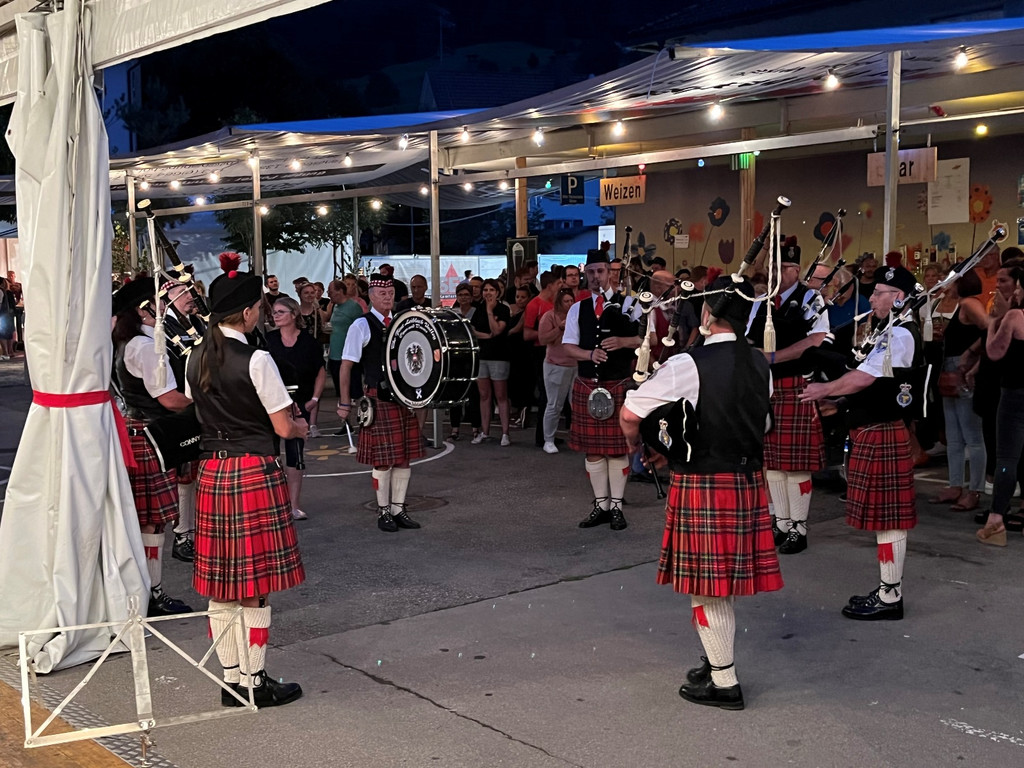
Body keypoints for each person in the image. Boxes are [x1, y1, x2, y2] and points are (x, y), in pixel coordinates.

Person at [620, 275, 781, 711]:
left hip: (704, 483)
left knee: (708, 588)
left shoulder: (687, 364)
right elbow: (763, 423)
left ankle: (724, 682)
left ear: (708, 314)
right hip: (746, 479)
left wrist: (642, 444)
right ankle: (714, 661)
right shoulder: (759, 363)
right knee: (717, 585)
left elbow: (631, 413)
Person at [185, 255, 306, 707]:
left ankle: (232, 680)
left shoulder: (195, 356)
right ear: (249, 311)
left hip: (213, 472)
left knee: (223, 586)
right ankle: (255, 683)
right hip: (252, 470)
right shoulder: (257, 358)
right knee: (254, 587)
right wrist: (300, 427)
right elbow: (282, 426)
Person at [800, 266, 923, 620]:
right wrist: (840, 401)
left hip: (883, 431)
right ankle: (888, 591)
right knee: (886, 519)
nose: (872, 298)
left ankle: (890, 596)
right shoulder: (890, 330)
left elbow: (864, 378)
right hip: (874, 430)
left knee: (889, 519)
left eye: (879, 292)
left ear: (899, 297)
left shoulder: (901, 334)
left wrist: (826, 388)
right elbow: (876, 381)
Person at [111, 279, 193, 616]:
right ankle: (152, 593)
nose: (162, 308)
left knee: (146, 520)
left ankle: (147, 591)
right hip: (150, 435)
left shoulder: (126, 342)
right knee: (152, 522)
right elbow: (169, 399)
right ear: (142, 310)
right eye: (157, 303)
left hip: (134, 431)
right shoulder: (146, 347)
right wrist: (207, 406)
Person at [746, 237, 828, 555]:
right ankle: (781, 523)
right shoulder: (760, 301)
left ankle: (799, 527)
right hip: (765, 387)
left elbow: (817, 339)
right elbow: (748, 338)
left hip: (796, 384)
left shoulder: (811, 299)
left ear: (795, 270)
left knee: (796, 465)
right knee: (773, 463)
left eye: (780, 268)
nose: (773, 274)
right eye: (770, 268)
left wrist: (775, 357)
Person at [337, 274, 424, 532]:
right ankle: (383, 510)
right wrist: (344, 402)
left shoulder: (401, 322)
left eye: (391, 294)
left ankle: (398, 509)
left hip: (403, 398)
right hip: (378, 397)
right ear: (371, 296)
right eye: (382, 294)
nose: (388, 298)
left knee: (404, 458)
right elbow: (346, 366)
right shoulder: (361, 325)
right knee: (383, 460)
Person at [562, 249, 641, 530]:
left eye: (601, 271)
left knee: (617, 450)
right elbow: (568, 345)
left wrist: (623, 341)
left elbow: (648, 339)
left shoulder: (630, 304)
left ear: (610, 273)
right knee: (593, 451)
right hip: (587, 384)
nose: (596, 277)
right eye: (591, 272)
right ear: (586, 274)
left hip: (617, 383)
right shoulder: (577, 308)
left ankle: (617, 506)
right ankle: (601, 505)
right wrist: (588, 354)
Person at [930, 271, 988, 511]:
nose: (947, 285)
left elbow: (988, 330)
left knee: (972, 436)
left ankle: (975, 489)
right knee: (954, 435)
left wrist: (972, 355)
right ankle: (955, 485)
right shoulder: (961, 305)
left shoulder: (969, 304)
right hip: (950, 369)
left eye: (951, 280)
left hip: (961, 369)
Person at [976, 266, 1024, 545]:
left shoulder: (1016, 316)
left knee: (1007, 459)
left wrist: (995, 321)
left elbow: (994, 352)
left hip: (1015, 394)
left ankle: (996, 522)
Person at [267, 297, 326, 521]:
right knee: (271, 454)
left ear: (294, 314)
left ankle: (293, 505)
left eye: (281, 312)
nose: (276, 315)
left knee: (296, 454)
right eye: (274, 312)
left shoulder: (309, 342)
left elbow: (320, 371)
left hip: (300, 404)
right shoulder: (268, 341)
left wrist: (314, 399)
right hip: (273, 405)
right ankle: (274, 505)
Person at [162, 282, 207, 564]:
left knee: (196, 475)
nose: (191, 297)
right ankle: (182, 536)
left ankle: (194, 532)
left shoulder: (197, 323)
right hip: (179, 407)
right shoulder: (163, 328)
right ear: (168, 299)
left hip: (200, 406)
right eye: (183, 293)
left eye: (190, 291)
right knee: (184, 476)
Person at [470, 278, 513, 446]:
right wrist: (486, 336)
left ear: (498, 293)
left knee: (501, 395)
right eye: (485, 290)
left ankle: (505, 433)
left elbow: (497, 330)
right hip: (482, 356)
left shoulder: (503, 309)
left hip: (499, 356)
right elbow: (473, 331)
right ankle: (485, 431)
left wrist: (489, 311)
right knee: (484, 395)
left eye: (491, 290)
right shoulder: (478, 309)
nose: (488, 293)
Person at [538, 287, 577, 454]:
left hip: (575, 364)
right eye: (566, 301)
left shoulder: (576, 316)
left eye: (571, 301)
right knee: (554, 404)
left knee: (576, 404)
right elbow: (542, 339)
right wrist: (559, 328)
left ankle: (577, 437)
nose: (569, 304)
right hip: (555, 365)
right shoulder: (549, 316)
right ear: (559, 303)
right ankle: (548, 440)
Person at [524, 271, 562, 440]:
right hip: (540, 352)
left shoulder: (554, 304)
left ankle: (550, 433)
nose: (561, 287)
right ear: (550, 286)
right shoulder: (534, 305)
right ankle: (542, 435)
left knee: (555, 395)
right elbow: (527, 334)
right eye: (558, 284)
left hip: (555, 350)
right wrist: (547, 333)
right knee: (546, 395)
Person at [449, 283, 481, 441]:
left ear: (471, 296)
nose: (463, 298)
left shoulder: (477, 311)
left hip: (472, 356)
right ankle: (454, 428)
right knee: (455, 393)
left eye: (466, 295)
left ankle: (476, 427)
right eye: (460, 295)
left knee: (474, 393)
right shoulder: (452, 313)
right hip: (456, 357)